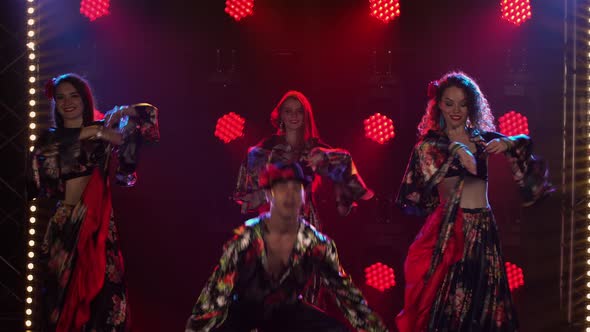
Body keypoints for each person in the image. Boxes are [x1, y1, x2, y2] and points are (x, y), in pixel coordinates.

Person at [395, 71, 553, 331]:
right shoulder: (430, 145)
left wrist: (507, 142)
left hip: (483, 230)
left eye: (463, 103)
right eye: (449, 103)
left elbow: (524, 142)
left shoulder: (481, 140)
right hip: (451, 232)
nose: (456, 110)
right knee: (448, 303)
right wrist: (456, 150)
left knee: (485, 302)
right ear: (438, 106)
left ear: (472, 105)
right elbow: (415, 192)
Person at [187, 162, 387, 332]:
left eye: (295, 188)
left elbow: (346, 294)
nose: (289, 196)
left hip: (290, 312)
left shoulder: (316, 243)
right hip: (243, 312)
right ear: (269, 195)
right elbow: (216, 290)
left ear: (303, 195)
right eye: (282, 188)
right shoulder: (246, 237)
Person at [31, 73, 160, 331]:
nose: (67, 102)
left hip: (99, 229)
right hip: (66, 227)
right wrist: (99, 131)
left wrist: (125, 111)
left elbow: (149, 118)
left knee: (104, 300)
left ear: (84, 98)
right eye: (60, 98)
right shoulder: (52, 138)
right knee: (60, 303)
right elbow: (41, 161)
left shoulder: (103, 131)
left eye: (74, 96)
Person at [234, 90, 373, 230]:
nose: (294, 115)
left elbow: (344, 160)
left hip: (304, 218)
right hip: (273, 217)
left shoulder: (314, 146)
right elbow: (249, 186)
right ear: (281, 114)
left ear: (305, 115)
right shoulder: (267, 146)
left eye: (299, 111)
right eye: (288, 111)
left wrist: (325, 157)